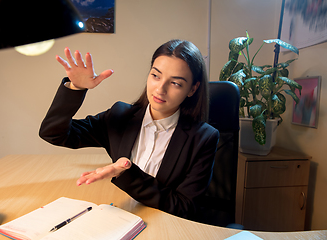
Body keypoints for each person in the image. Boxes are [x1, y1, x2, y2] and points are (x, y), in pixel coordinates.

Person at [39, 39, 219, 222]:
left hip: (164, 223)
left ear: (192, 89)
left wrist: (125, 172)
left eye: (175, 83)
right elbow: (54, 133)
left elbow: (184, 207)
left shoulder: (203, 138)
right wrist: (76, 88)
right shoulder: (121, 116)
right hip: (119, 214)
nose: (160, 89)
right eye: (156, 76)